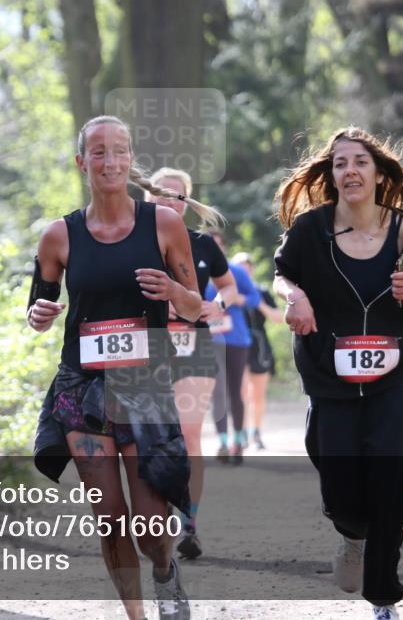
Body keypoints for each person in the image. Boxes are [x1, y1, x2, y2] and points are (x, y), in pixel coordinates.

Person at [28, 115, 221, 620]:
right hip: (81, 389)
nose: (109, 161)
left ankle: (164, 569)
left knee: (149, 528)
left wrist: (175, 293)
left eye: (119, 151)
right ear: (81, 162)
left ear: (131, 159)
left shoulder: (163, 223)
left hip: (145, 384)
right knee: (110, 520)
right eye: (98, 151)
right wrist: (39, 314)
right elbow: (39, 307)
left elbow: (196, 307)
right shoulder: (58, 236)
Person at [272, 127, 403, 620]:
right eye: (340, 163)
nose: (350, 171)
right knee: (342, 494)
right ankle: (351, 535)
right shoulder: (311, 229)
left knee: (387, 493)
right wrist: (295, 296)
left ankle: (383, 596)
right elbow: (282, 272)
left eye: (360, 162)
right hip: (329, 373)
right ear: (331, 174)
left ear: (378, 173)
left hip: (392, 376)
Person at [144, 168, 237, 561]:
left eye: (179, 196)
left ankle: (190, 523)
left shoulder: (202, 244)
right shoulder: (131, 242)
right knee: (149, 436)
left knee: (189, 434)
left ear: (187, 203)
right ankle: (154, 516)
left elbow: (229, 286)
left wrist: (220, 304)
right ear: (148, 199)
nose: (170, 201)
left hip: (193, 343)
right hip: (146, 346)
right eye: (163, 195)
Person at [206, 231, 262, 465]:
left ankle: (238, 441)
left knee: (235, 391)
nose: (213, 251)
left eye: (218, 246)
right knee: (216, 392)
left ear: (224, 248)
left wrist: (237, 299)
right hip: (209, 338)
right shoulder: (196, 271)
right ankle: (222, 441)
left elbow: (255, 298)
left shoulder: (236, 272)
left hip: (236, 338)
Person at [231, 252, 284, 451]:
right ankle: (241, 432)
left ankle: (257, 432)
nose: (243, 271)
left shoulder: (260, 291)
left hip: (260, 347)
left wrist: (256, 301)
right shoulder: (228, 293)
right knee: (241, 391)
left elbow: (279, 318)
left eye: (246, 267)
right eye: (239, 268)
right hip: (237, 346)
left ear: (251, 270)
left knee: (257, 395)